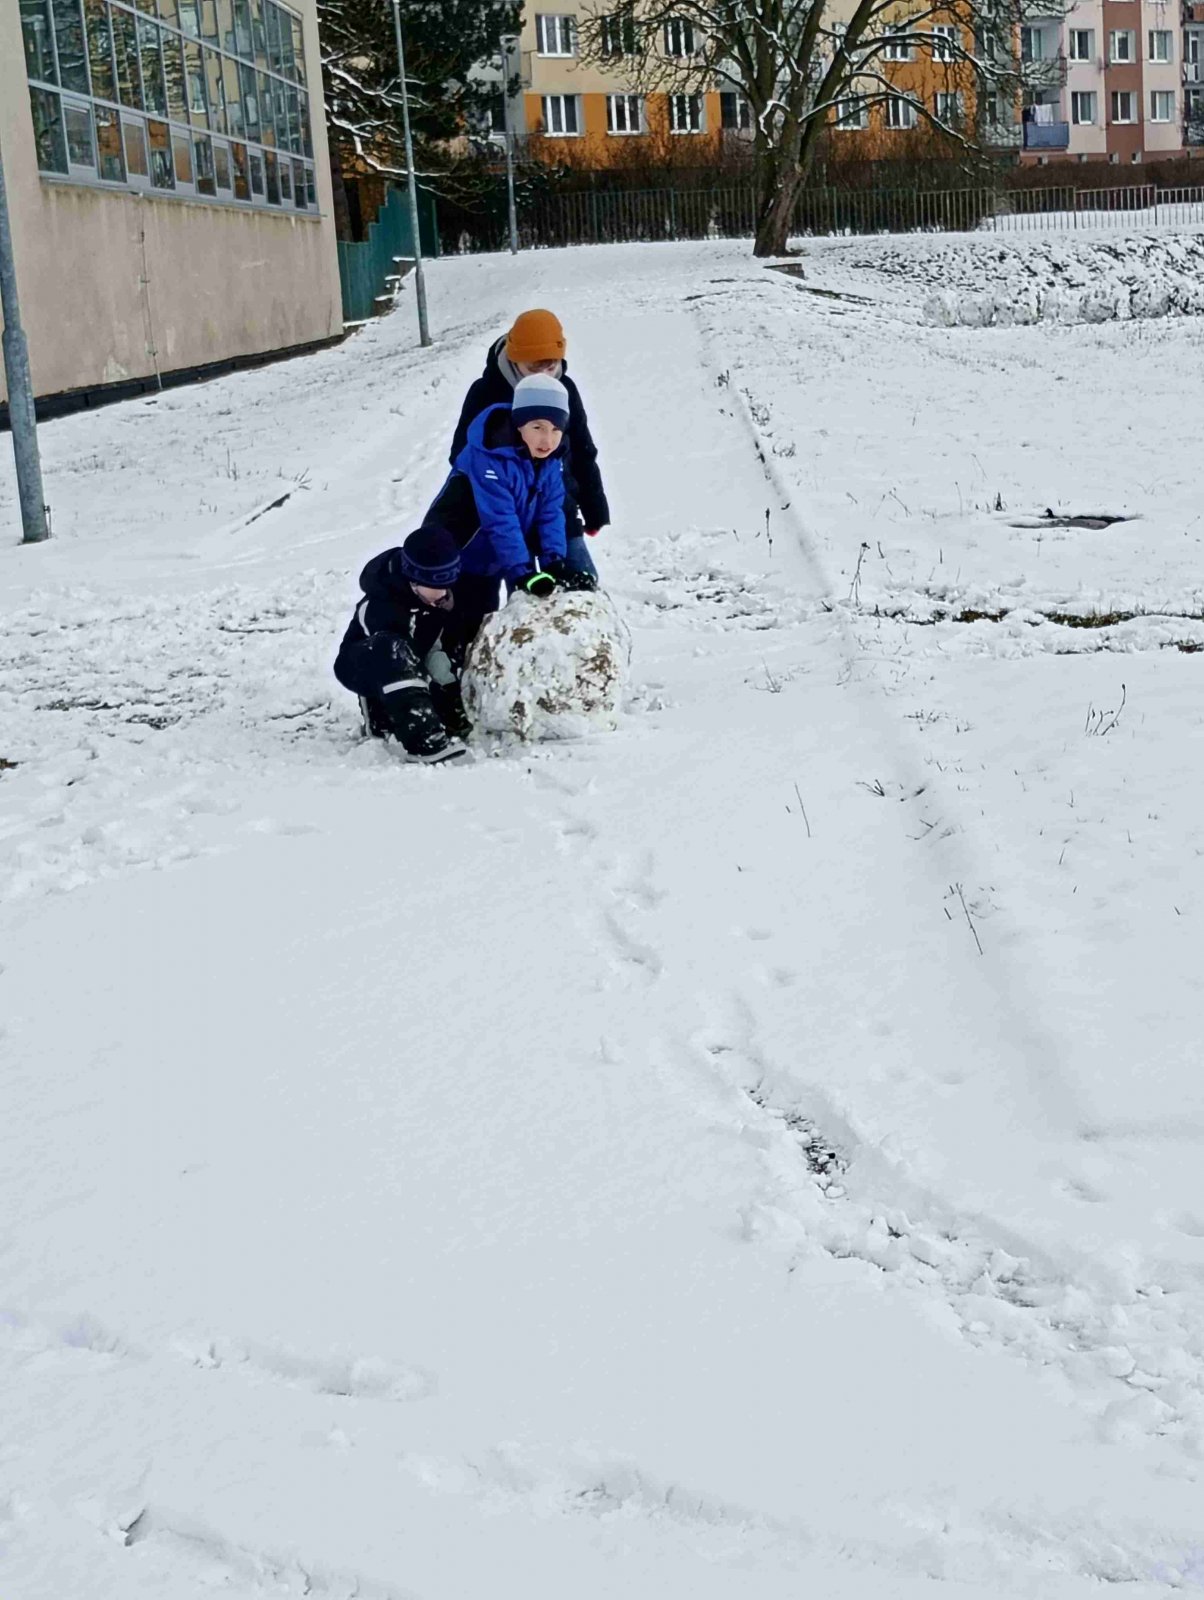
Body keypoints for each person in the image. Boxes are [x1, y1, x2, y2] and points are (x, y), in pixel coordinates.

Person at [428, 372, 597, 655]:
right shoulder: (490, 457)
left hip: (504, 551)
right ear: (519, 424)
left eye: (556, 429)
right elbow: (500, 520)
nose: (547, 439)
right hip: (470, 555)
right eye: (537, 427)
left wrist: (554, 561)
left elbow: (551, 513)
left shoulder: (550, 460)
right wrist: (523, 573)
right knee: (469, 625)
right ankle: (451, 670)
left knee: (506, 622)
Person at [449, 309, 610, 580]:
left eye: (551, 367)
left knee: (582, 582)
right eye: (533, 368)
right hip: (505, 514)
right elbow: (461, 454)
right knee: (525, 588)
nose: (544, 375)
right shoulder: (486, 392)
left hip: (558, 508)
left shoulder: (565, 389)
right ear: (515, 359)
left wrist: (594, 507)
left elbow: (582, 448)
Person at [333, 525, 470, 764]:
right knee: (394, 650)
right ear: (414, 581)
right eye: (436, 586)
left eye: (447, 585)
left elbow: (435, 647)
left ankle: (434, 718)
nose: (443, 594)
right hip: (363, 664)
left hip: (412, 661)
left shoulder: (436, 600)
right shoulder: (381, 605)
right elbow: (387, 660)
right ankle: (422, 741)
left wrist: (449, 689)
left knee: (442, 661)